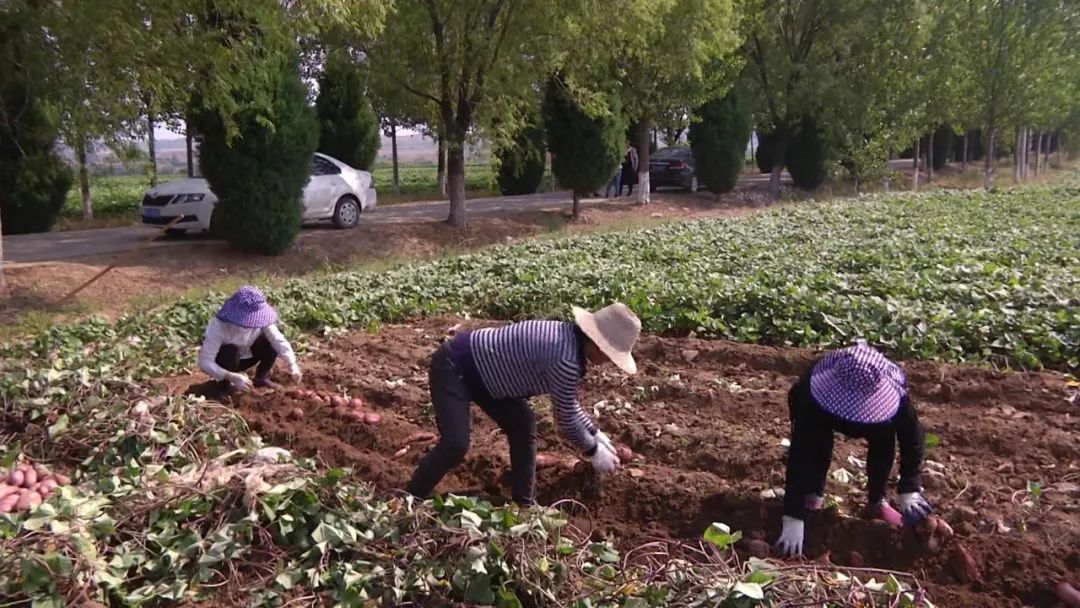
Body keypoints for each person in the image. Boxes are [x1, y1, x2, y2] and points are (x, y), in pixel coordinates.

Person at [406, 303, 641, 506]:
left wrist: (595, 433)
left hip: (487, 379)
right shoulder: (565, 359)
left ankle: (524, 504)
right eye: (611, 355)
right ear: (599, 344)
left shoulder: (566, 337)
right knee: (456, 444)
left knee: (523, 423)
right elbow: (565, 417)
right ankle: (407, 497)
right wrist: (592, 450)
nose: (609, 361)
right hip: (454, 367)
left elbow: (569, 403)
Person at [775, 341, 932, 556]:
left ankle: (877, 501)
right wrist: (793, 515)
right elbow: (800, 455)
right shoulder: (810, 395)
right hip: (821, 410)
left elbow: (912, 439)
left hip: (877, 417)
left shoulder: (894, 396)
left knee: (883, 441)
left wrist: (910, 488)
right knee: (817, 446)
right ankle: (812, 495)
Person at [198, 286, 301, 398]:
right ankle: (224, 387)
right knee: (230, 350)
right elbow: (205, 362)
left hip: (249, 357)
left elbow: (278, 340)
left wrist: (292, 365)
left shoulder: (262, 319)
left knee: (269, 342)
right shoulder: (219, 326)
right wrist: (231, 376)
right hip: (226, 363)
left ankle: (261, 378)